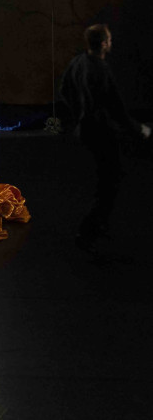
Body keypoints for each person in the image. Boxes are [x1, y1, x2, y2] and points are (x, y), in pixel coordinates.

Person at [59, 24, 150, 252]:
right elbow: (116, 106)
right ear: (103, 44)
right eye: (109, 40)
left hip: (87, 129)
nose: (111, 43)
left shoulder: (78, 63)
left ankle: (99, 225)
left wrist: (78, 113)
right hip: (100, 132)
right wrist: (139, 129)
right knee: (111, 179)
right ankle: (89, 229)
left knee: (106, 177)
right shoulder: (100, 69)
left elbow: (65, 90)